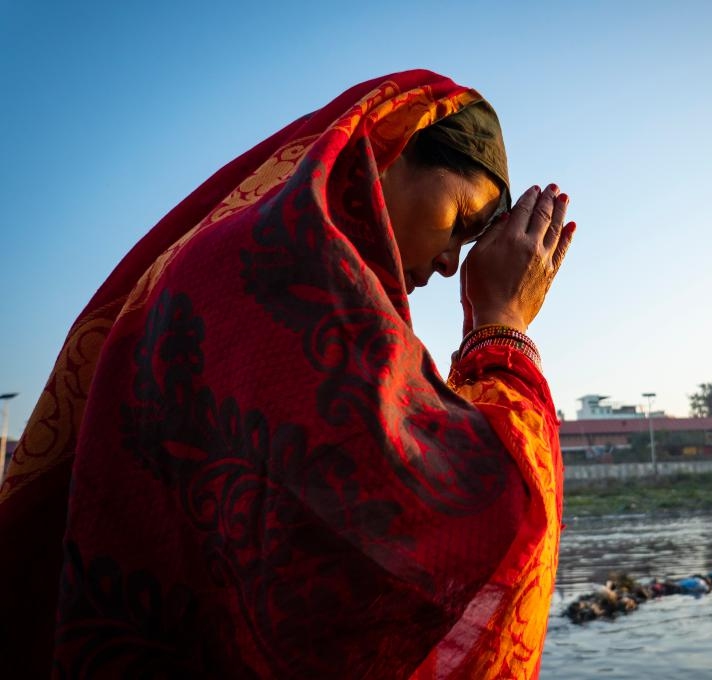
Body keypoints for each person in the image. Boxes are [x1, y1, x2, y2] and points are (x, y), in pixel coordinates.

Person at [0, 70, 574, 679]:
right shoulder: (294, 276)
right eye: (458, 220)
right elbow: (491, 513)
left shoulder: (248, 257)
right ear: (392, 143)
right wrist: (502, 320)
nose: (447, 263)